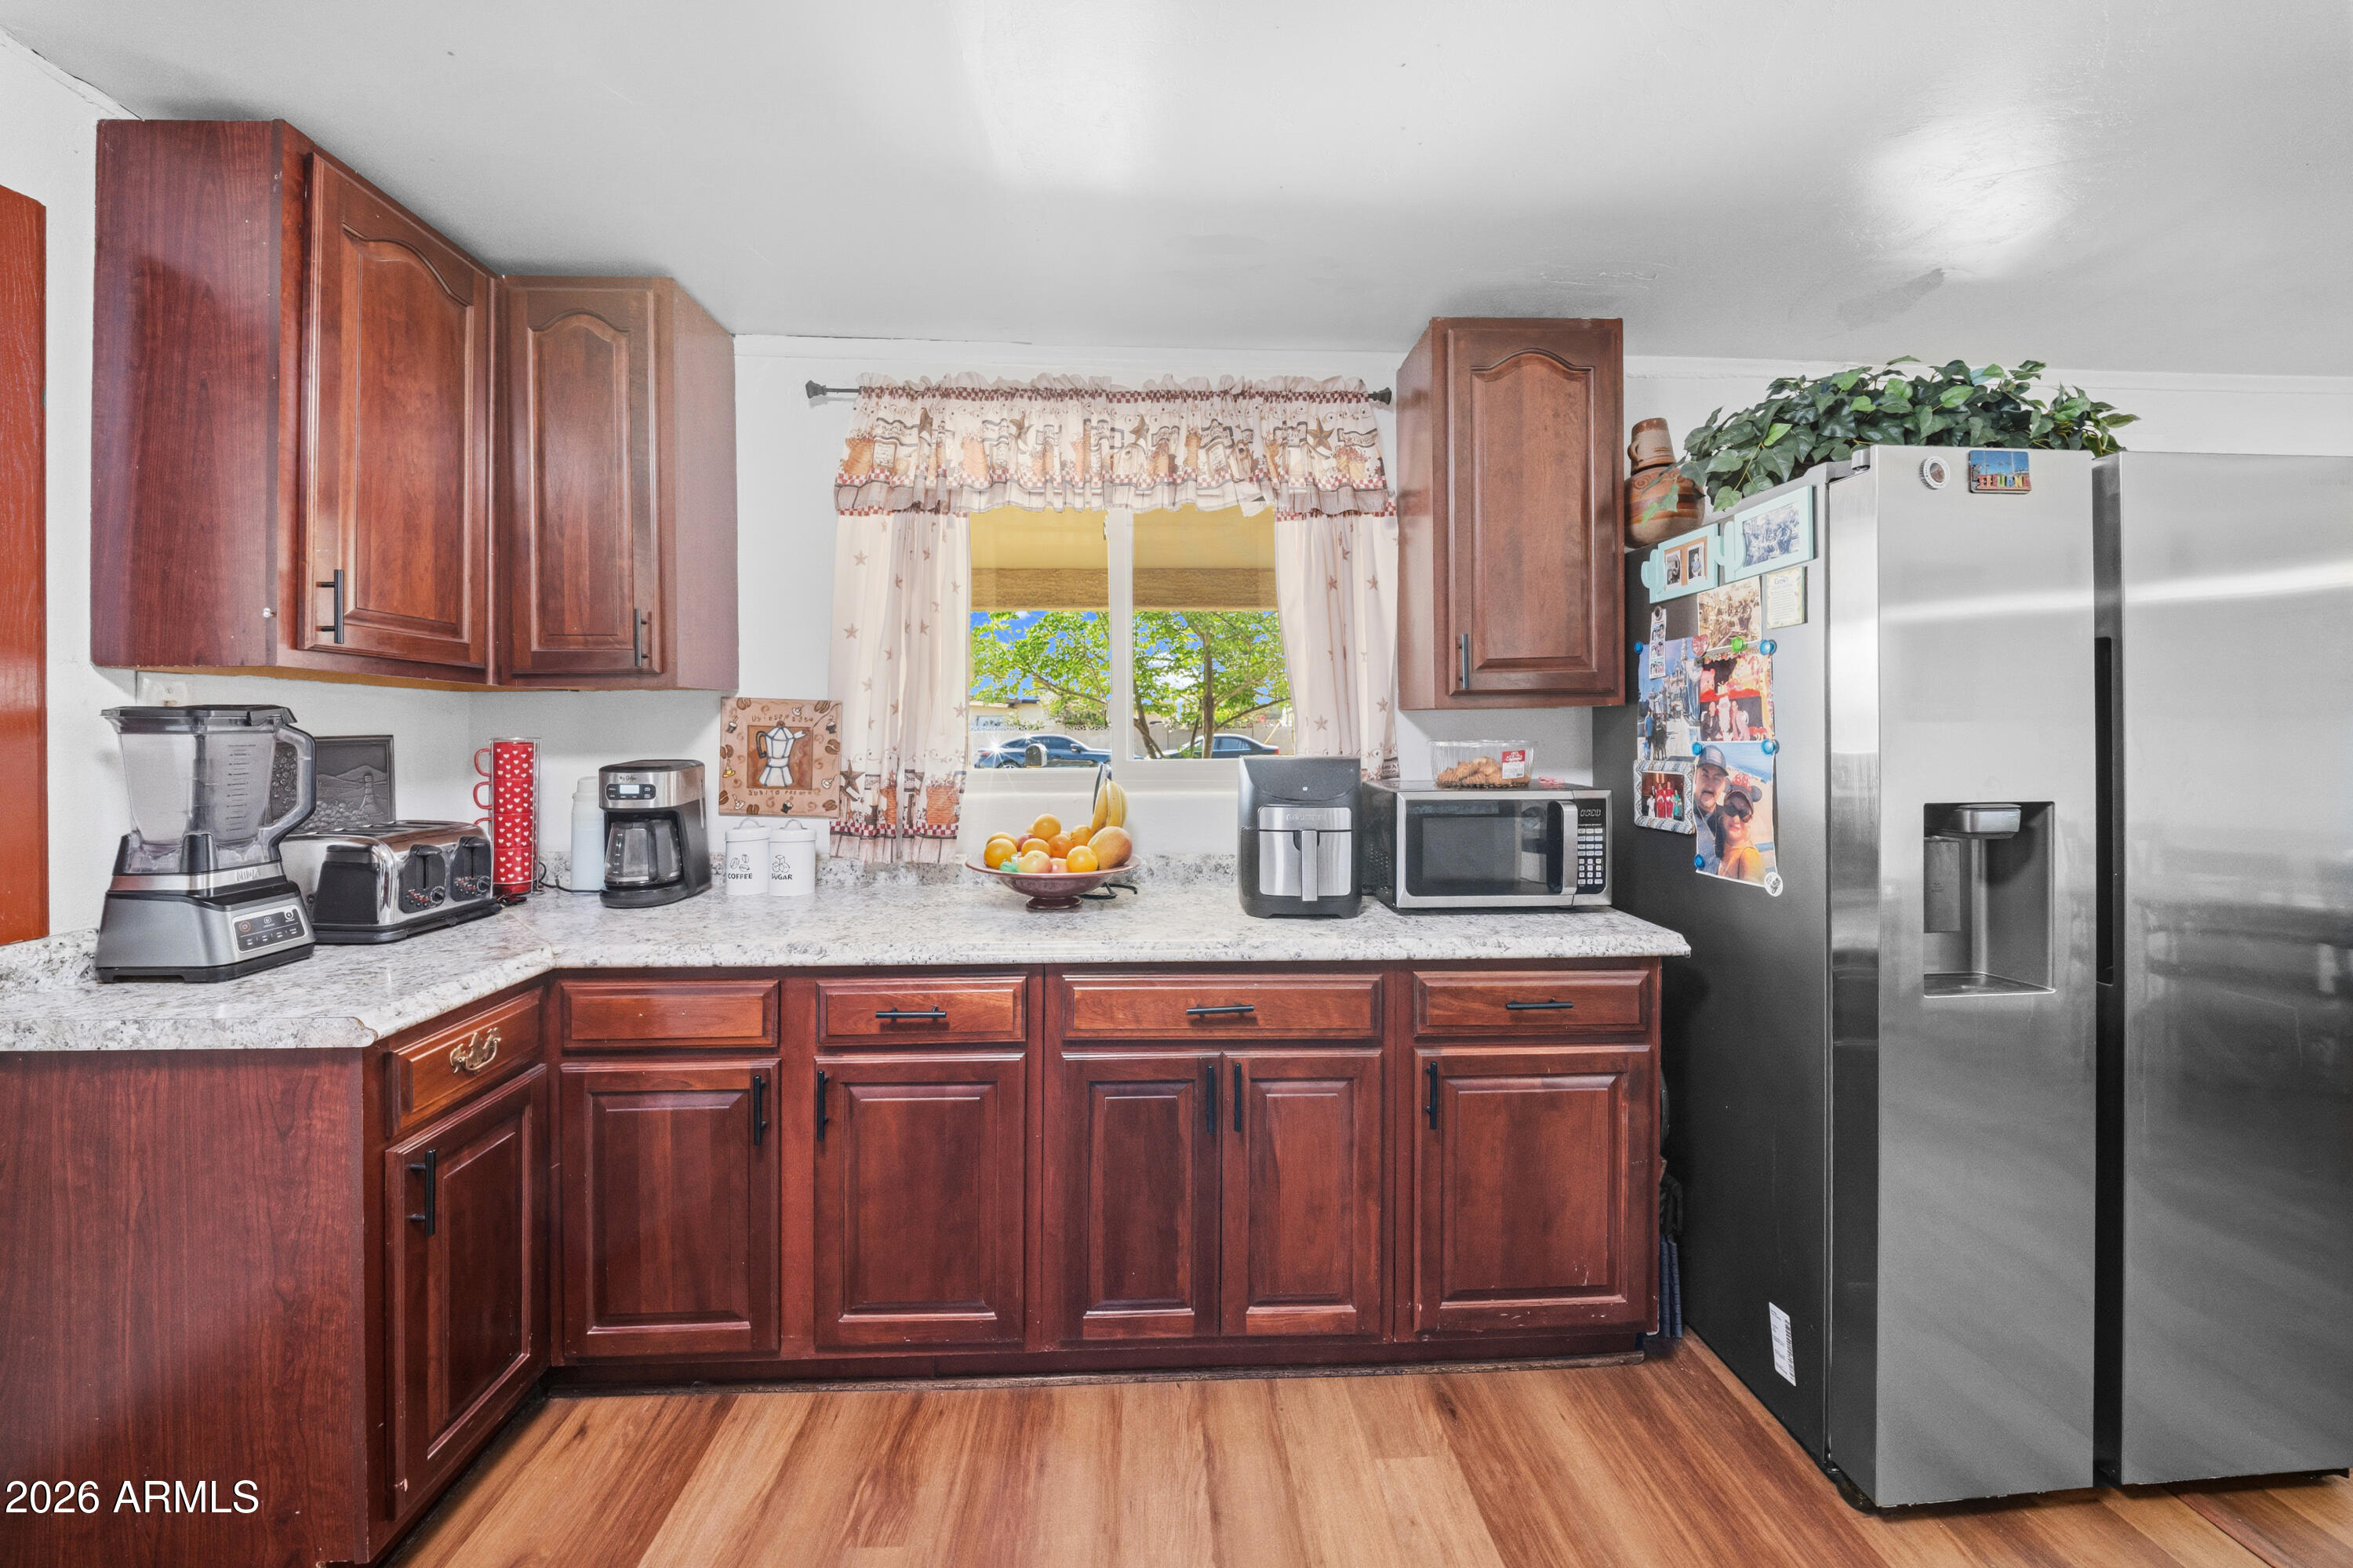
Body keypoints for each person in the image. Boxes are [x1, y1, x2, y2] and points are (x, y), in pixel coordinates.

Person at [1690, 746, 1730, 871]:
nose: (1709, 786)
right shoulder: (1683, 811)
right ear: (1695, 776)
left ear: (1724, 784)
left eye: (1717, 779)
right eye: (1704, 775)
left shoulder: (1728, 819)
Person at [1717, 788, 1765, 882]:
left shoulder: (1748, 856)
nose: (1736, 819)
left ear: (1750, 820)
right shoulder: (1722, 842)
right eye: (1731, 809)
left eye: (1744, 813)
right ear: (1723, 812)